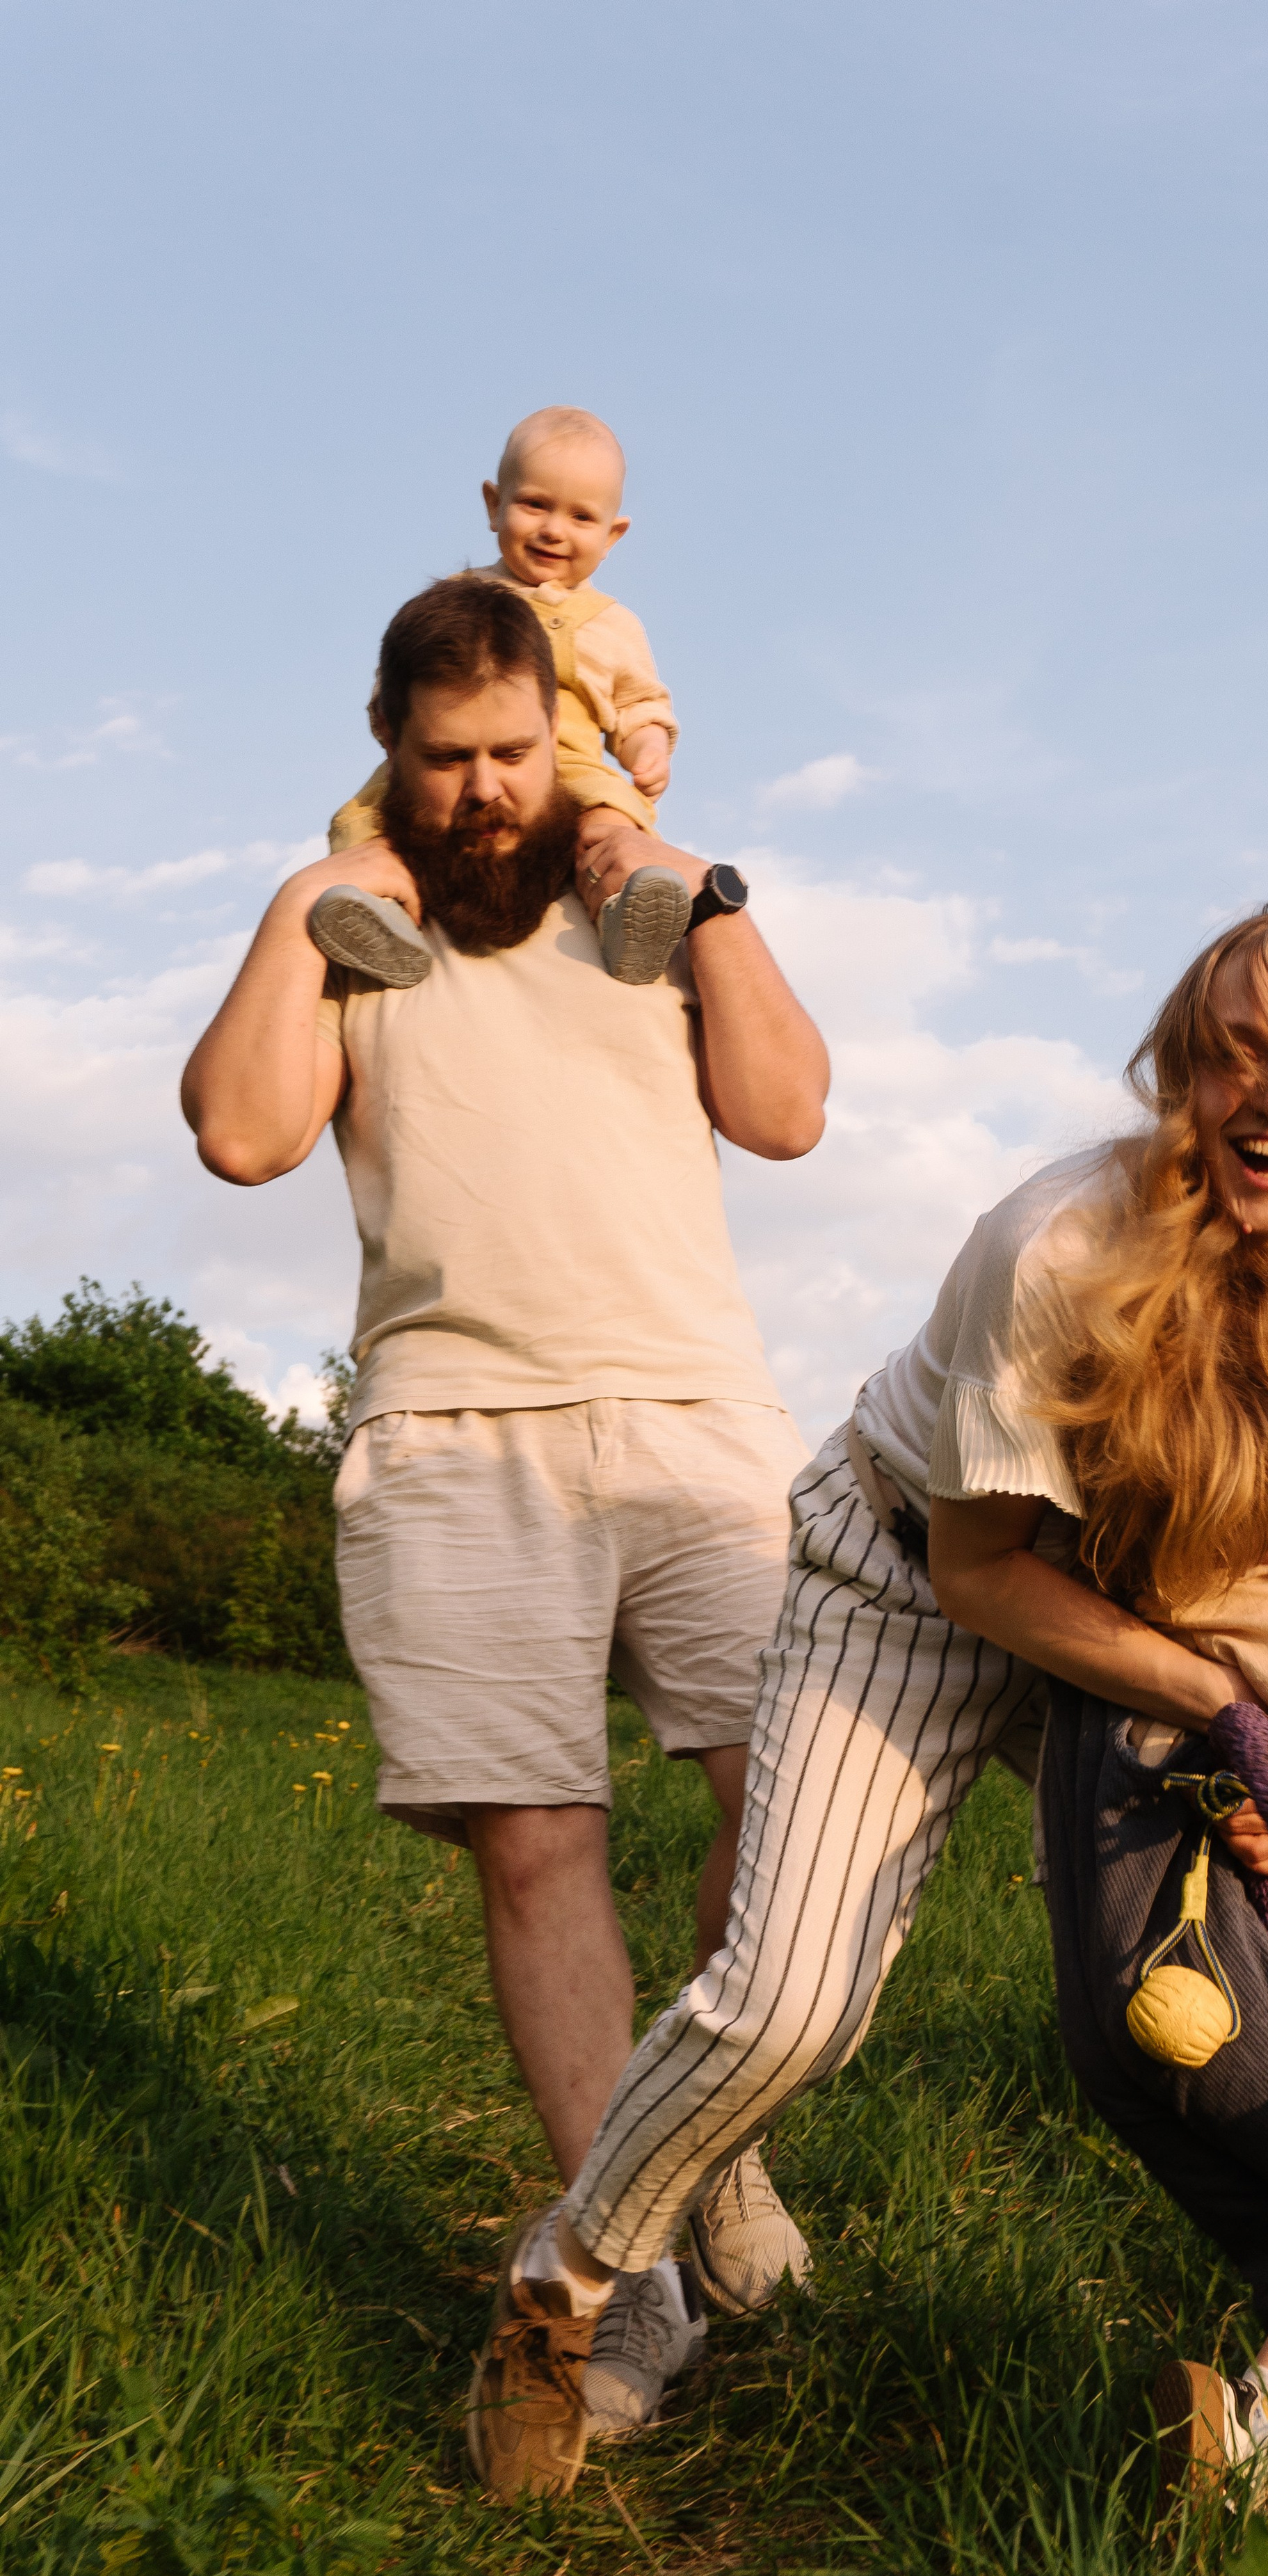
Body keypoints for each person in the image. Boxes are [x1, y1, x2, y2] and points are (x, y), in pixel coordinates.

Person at [466, 902, 1268, 2521]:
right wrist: (1217, 1700)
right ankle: (562, 2290)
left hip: (1162, 1595)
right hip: (913, 1577)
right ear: (1177, 1066)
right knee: (787, 2003)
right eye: (1239, 1049)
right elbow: (983, 1571)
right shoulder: (1055, 1238)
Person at [179, 570, 830, 2449]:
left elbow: (787, 1115)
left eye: (514, 751)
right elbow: (240, 1133)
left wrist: (702, 893)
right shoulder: (353, 921)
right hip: (456, 1431)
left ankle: (708, 2153)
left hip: (696, 1411)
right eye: (446, 760)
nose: (485, 792)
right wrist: (302, 911)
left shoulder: (646, 897)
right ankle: (628, 2297)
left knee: (775, 1803)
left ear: (565, 731)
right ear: (388, 755)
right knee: (539, 1846)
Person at [314, 405, 695, 992]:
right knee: (366, 820)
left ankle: (627, 915)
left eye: (581, 516)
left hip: (571, 768)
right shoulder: (459, 597)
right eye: (535, 505)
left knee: (611, 829)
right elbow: (404, 676)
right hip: (456, 757)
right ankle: (380, 913)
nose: (553, 530)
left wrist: (646, 749)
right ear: (494, 505)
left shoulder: (613, 625)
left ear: (613, 535)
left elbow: (641, 702)